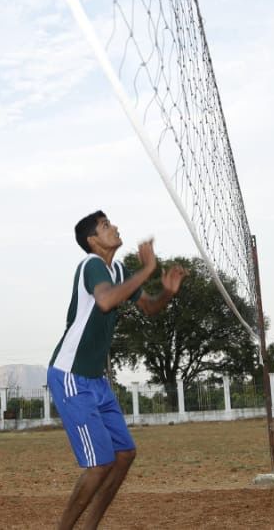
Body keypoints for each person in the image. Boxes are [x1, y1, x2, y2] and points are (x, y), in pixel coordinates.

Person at [47, 211, 188, 529]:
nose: (115, 228)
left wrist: (166, 292)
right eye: (106, 226)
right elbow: (106, 301)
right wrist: (148, 269)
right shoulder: (91, 264)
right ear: (93, 240)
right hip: (70, 376)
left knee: (124, 454)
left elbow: (149, 307)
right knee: (99, 464)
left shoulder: (119, 269)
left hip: (96, 380)